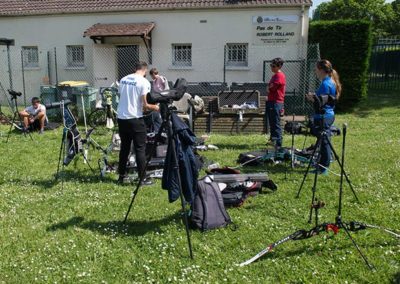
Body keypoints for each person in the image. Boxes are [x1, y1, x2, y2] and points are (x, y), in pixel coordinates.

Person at [117, 61, 159, 185]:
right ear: (145, 70)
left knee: (124, 148)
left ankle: (121, 176)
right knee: (140, 149)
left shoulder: (123, 79)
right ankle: (143, 179)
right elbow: (145, 105)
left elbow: (124, 98)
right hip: (135, 119)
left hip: (121, 118)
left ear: (135, 69)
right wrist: (155, 107)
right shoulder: (144, 82)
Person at [306, 59, 342, 175]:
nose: (315, 71)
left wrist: (311, 98)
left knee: (324, 141)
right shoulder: (330, 81)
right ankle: (323, 164)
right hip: (328, 115)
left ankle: (323, 168)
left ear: (321, 69)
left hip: (323, 116)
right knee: (324, 140)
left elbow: (320, 102)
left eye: (316, 69)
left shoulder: (326, 84)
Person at [266, 57, 286, 149]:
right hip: (272, 101)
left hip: (276, 102)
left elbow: (272, 88)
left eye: (273, 66)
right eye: (271, 65)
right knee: (272, 122)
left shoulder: (279, 76)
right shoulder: (274, 75)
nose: (272, 67)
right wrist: (269, 87)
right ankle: (273, 140)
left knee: (276, 123)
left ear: (279, 66)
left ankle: (278, 143)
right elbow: (270, 87)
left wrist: (270, 87)